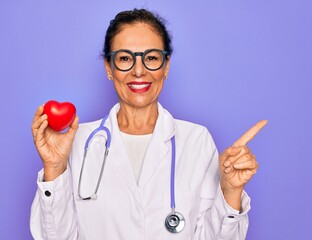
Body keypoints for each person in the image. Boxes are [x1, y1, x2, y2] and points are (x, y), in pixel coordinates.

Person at [30, 9, 267, 240]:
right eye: (124, 58)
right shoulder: (76, 142)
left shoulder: (197, 140)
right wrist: (55, 167)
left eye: (151, 57)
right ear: (108, 68)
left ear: (166, 66)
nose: (139, 70)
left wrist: (230, 192)